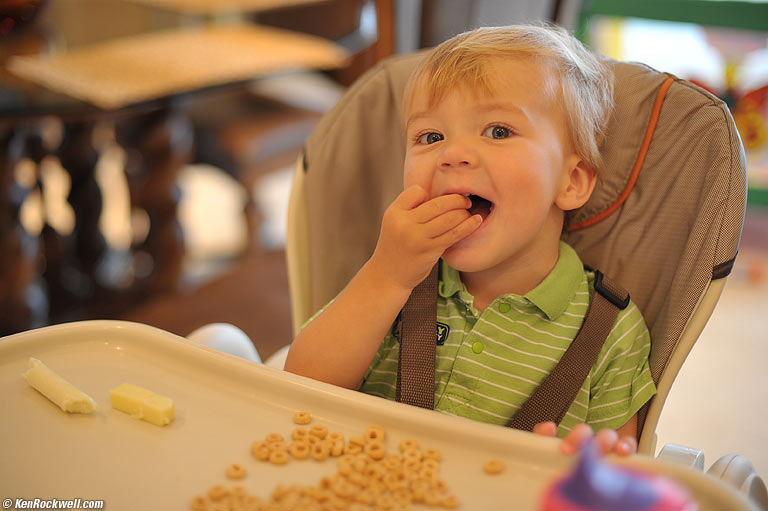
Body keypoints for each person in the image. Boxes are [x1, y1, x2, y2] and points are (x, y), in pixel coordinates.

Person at [285, 23, 655, 456]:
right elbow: (300, 389)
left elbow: (624, 474)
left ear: (571, 181)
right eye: (431, 137)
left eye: (498, 131)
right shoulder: (394, 278)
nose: (452, 154)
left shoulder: (609, 330)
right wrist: (387, 276)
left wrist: (586, 469)